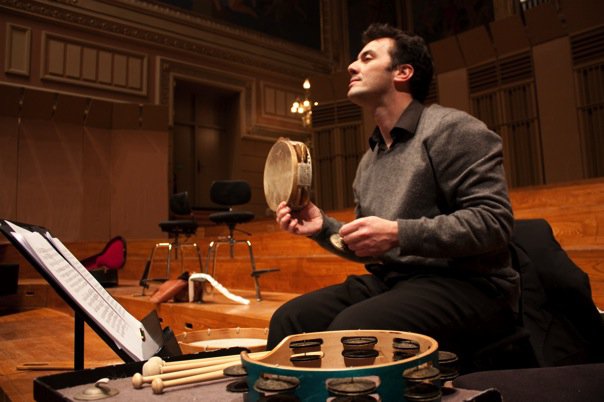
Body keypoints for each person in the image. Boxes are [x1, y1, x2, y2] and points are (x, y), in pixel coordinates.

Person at [267, 23, 520, 367]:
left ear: (403, 72)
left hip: (470, 285)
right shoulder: (368, 161)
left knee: (351, 333)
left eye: (367, 58)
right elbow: (372, 246)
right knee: (291, 321)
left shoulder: (453, 129)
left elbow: (494, 223)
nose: (351, 66)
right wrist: (322, 228)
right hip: (398, 281)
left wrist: (398, 233)